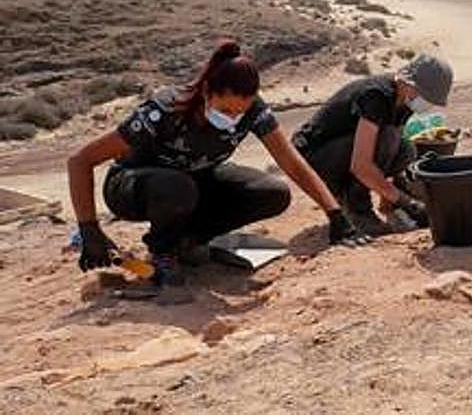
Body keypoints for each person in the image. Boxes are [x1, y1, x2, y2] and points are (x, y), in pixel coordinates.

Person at [68, 41, 367, 288]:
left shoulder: (254, 112)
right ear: (207, 91)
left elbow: (290, 161)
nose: (233, 117)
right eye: (225, 109)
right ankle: (162, 252)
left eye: (241, 111)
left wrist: (335, 215)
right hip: (133, 186)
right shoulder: (166, 110)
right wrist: (89, 229)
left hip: (196, 180)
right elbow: (80, 160)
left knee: (272, 192)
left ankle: (187, 241)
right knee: (177, 186)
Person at [292, 54, 453, 235]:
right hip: (313, 160)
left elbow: (394, 148)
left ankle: (377, 198)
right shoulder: (376, 96)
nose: (427, 103)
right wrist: (407, 203)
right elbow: (361, 165)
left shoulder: (404, 100)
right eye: (426, 96)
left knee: (406, 150)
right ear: (410, 83)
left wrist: (394, 195)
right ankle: (357, 208)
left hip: (343, 151)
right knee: (387, 139)